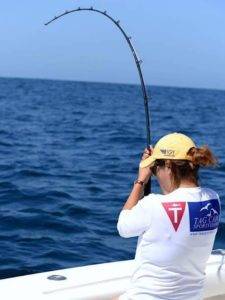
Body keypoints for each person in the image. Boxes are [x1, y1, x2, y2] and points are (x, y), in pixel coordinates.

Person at [114, 132, 220, 300]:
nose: (154, 174)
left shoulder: (152, 205)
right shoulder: (213, 199)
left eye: (156, 168)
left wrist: (140, 181)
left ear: (169, 166)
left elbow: (123, 227)